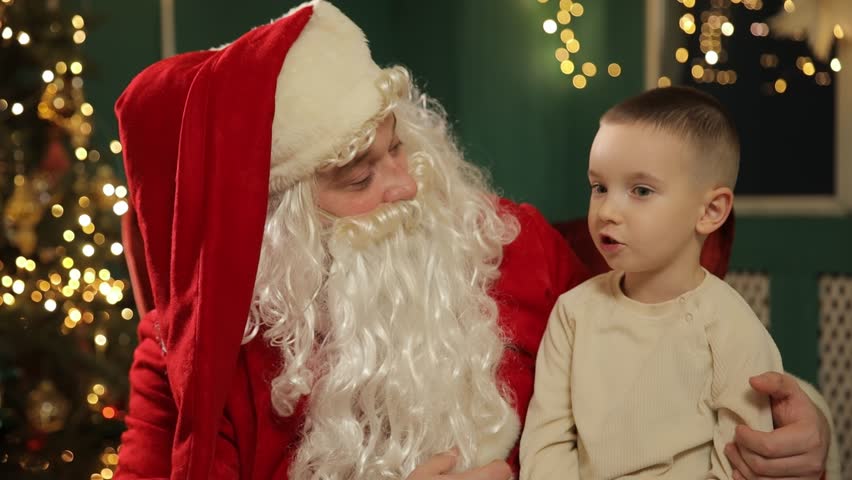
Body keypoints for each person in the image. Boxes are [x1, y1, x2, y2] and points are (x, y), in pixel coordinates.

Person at [113, 2, 832, 479]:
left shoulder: (507, 243)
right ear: (274, 221)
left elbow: (664, 350)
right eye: (359, 177)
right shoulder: (191, 357)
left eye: (399, 148)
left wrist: (798, 431)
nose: (403, 185)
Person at [521, 86, 792, 479]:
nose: (608, 211)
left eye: (641, 191)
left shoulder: (732, 329)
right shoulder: (573, 314)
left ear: (710, 211)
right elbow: (546, 443)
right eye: (599, 188)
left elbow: (740, 463)